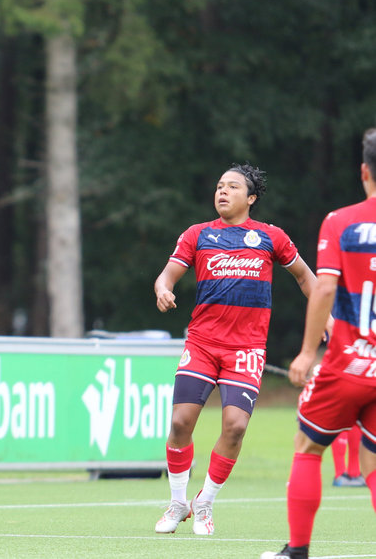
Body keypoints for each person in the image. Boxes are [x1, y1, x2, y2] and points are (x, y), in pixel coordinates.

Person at [153, 164, 317, 536]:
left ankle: (205, 502)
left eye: (232, 187)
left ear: (251, 197)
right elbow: (167, 273)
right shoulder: (198, 235)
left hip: (246, 348)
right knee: (180, 422)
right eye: (219, 186)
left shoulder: (271, 237)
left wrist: (328, 320)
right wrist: (163, 288)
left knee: (236, 426)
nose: (222, 192)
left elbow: (307, 279)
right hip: (202, 342)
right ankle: (179, 502)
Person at [261, 130, 376, 559]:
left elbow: (324, 287)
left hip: (349, 365)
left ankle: (298, 551)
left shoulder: (341, 220)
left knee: (308, 446)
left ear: (363, 171)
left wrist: (309, 352)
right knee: (373, 463)